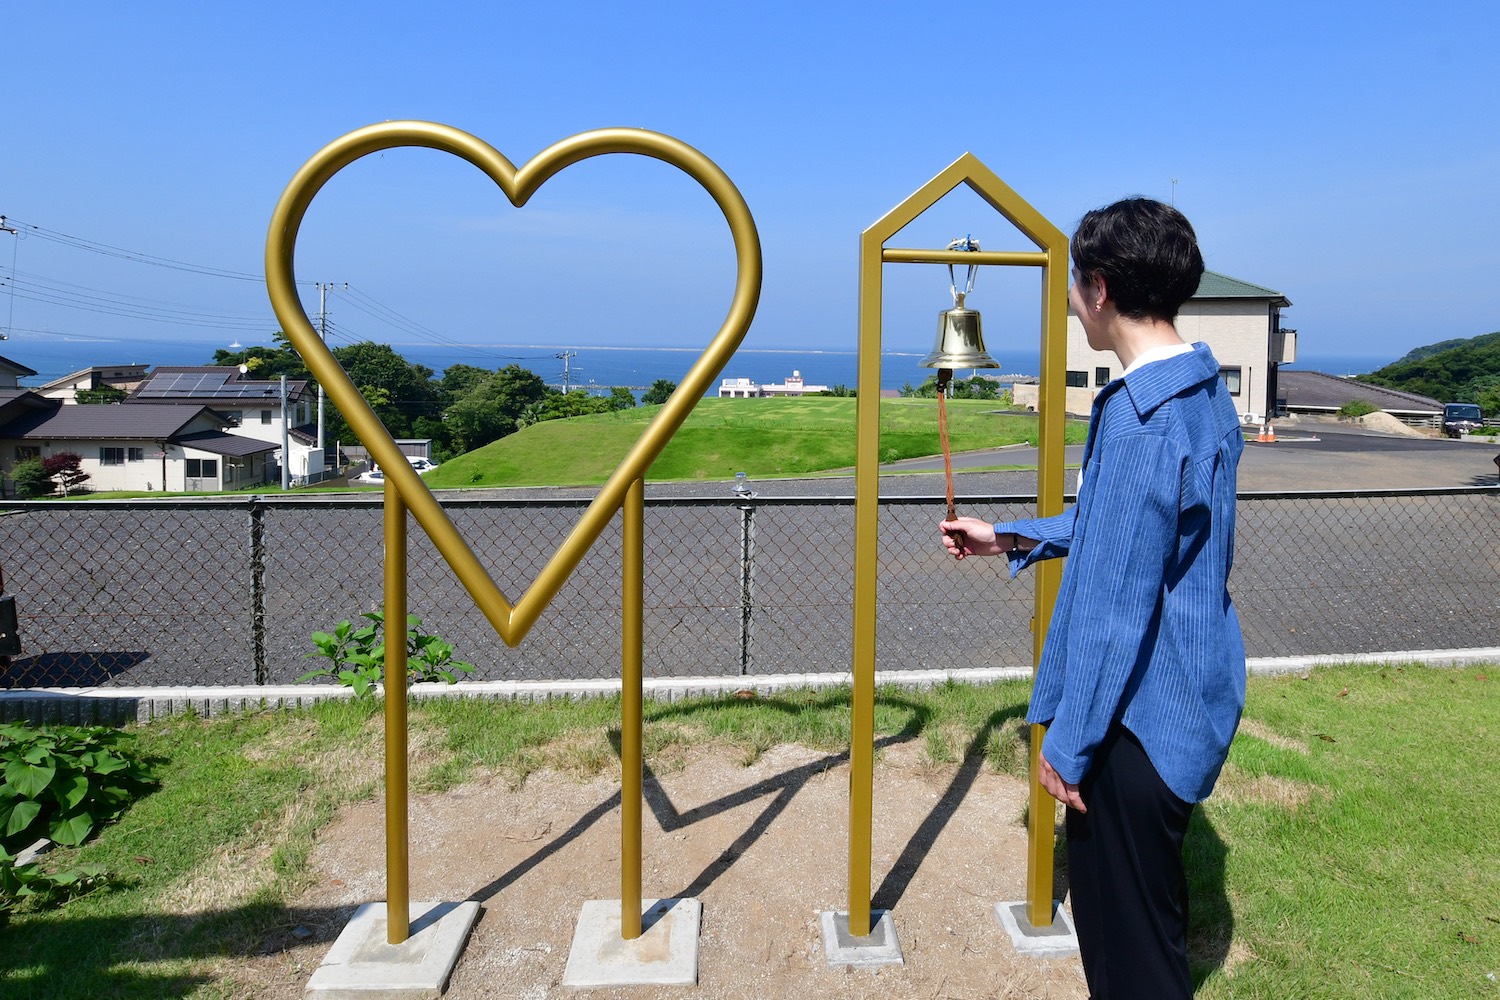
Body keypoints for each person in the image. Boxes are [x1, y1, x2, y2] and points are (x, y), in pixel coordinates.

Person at [940, 197, 1245, 998]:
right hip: (1186, 703)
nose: (1073, 301)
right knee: (1151, 928)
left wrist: (1068, 747)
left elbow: (1116, 605)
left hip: (1133, 727)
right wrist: (1007, 536)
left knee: (1128, 961)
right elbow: (1119, 529)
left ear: (1101, 290)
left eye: (1077, 285)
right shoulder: (1202, 391)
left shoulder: (1144, 419)